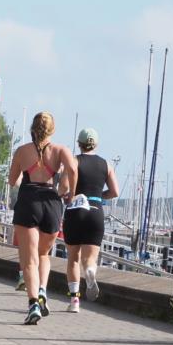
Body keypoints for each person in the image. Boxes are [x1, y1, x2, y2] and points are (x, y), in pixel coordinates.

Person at [7, 111, 78, 325]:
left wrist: (25, 179)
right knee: (44, 254)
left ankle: (33, 305)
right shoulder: (60, 150)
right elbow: (73, 169)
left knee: (29, 260)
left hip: (28, 200)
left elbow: (12, 180)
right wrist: (71, 194)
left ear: (33, 128)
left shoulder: (22, 151)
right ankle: (42, 291)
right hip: (51, 202)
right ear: (52, 130)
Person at [63, 128, 119, 311]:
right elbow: (115, 192)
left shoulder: (74, 161)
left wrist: (66, 195)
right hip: (95, 211)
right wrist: (99, 196)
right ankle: (90, 271)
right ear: (96, 144)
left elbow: (63, 188)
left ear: (79, 144)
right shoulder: (106, 165)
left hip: (75, 211)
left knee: (73, 258)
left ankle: (74, 301)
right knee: (89, 259)